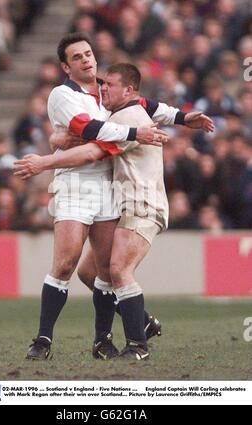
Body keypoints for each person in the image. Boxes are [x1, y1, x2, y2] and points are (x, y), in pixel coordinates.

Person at [14, 62, 214, 360]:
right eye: (102, 83)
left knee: (119, 270)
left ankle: (137, 347)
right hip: (126, 204)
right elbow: (150, 106)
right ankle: (141, 321)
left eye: (109, 84)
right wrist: (184, 117)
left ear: (129, 90)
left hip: (143, 204)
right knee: (90, 273)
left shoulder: (130, 119)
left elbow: (93, 151)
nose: (102, 87)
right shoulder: (124, 113)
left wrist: (43, 162)